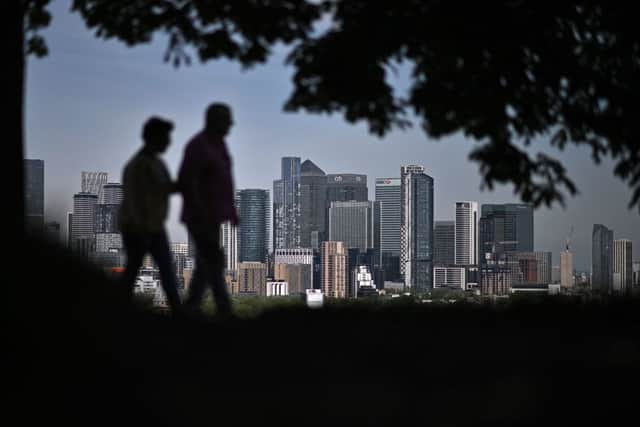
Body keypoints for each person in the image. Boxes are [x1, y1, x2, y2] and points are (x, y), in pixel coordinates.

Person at [178, 103, 238, 319]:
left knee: (207, 264)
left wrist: (231, 211)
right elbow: (187, 180)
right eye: (227, 121)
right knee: (214, 260)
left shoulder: (219, 145)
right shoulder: (198, 146)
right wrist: (200, 210)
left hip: (213, 217)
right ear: (215, 121)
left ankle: (190, 309)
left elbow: (225, 181)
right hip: (200, 217)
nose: (230, 126)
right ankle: (225, 311)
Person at [118, 116, 181, 314]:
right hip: (138, 227)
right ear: (153, 137)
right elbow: (134, 199)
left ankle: (179, 312)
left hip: (154, 227)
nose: (169, 142)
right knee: (136, 270)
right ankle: (116, 310)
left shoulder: (157, 163)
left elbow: (165, 188)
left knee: (164, 270)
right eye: (165, 137)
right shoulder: (137, 165)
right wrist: (141, 228)